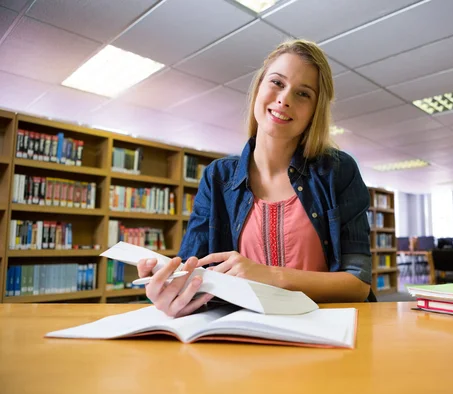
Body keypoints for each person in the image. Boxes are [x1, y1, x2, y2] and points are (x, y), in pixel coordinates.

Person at [137, 39, 373, 317]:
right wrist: (171, 291)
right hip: (243, 335)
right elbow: (194, 275)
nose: (285, 99)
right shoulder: (217, 177)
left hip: (325, 332)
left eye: (303, 94)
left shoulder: (338, 171)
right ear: (259, 86)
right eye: (277, 83)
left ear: (314, 111)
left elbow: (358, 284)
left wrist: (272, 276)